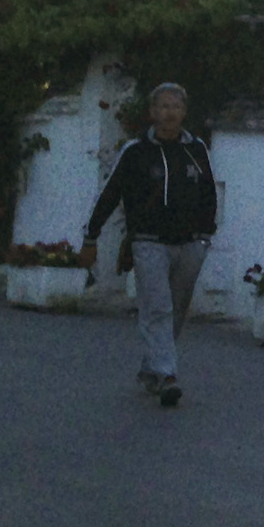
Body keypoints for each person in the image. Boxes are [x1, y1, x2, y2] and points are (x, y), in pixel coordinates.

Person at [83, 83, 219, 409]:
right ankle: (168, 375)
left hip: (190, 243)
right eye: (163, 106)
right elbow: (111, 194)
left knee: (177, 308)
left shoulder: (196, 149)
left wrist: (205, 234)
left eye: (176, 106)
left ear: (184, 113)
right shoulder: (135, 151)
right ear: (152, 112)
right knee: (158, 307)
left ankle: (152, 368)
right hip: (149, 243)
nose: (169, 112)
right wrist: (91, 235)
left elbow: (209, 193)